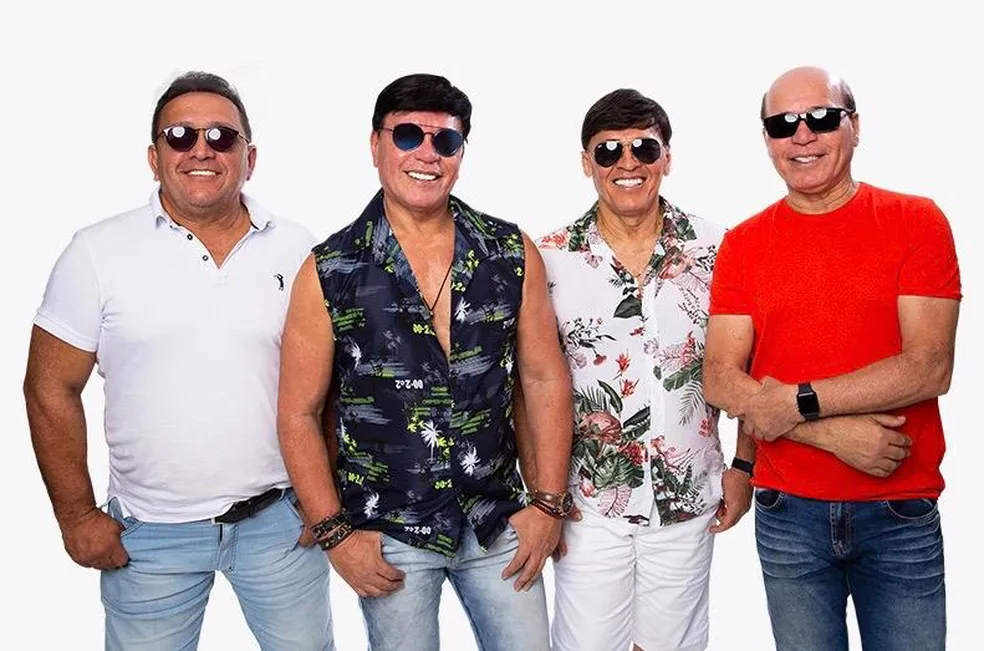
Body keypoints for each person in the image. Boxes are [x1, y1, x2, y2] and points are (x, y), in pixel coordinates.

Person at [23, 71, 334, 650]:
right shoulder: (96, 251)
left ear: (249, 158)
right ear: (154, 156)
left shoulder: (298, 248)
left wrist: (326, 501)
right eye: (180, 135)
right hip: (149, 535)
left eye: (221, 137)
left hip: (281, 524)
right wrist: (77, 516)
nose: (201, 150)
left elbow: (331, 382)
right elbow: (49, 387)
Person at [276, 73, 574, 651]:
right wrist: (335, 534)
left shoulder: (509, 252)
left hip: (497, 519)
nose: (427, 154)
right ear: (376, 145)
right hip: (387, 534)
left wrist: (548, 505)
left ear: (462, 153)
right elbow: (298, 412)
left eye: (446, 140)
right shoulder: (330, 269)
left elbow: (543, 379)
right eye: (408, 135)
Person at [704, 66, 960, 651]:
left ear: (855, 126)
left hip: (898, 511)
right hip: (786, 513)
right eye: (782, 124)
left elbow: (929, 367)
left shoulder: (916, 221)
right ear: (766, 139)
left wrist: (797, 403)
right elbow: (719, 377)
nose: (802, 135)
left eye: (820, 117)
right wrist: (829, 433)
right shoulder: (744, 243)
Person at [529, 88, 749, 651]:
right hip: (587, 505)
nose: (627, 163)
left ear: (666, 158)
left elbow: (753, 365)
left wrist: (745, 465)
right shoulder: (548, 257)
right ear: (586, 162)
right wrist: (542, 497)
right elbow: (526, 386)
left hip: (688, 498)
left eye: (644, 148)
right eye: (609, 151)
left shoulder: (719, 249)